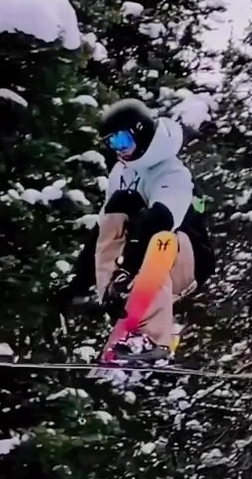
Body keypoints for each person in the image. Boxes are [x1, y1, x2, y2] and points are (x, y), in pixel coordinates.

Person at [53, 99, 215, 362]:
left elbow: (161, 220)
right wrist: (77, 282)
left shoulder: (172, 171)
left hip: (184, 257)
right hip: (141, 259)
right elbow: (104, 231)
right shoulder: (121, 172)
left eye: (123, 141)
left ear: (141, 131)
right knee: (117, 207)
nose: (120, 150)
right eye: (111, 143)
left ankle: (153, 338)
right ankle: (120, 316)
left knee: (155, 232)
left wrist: (128, 268)